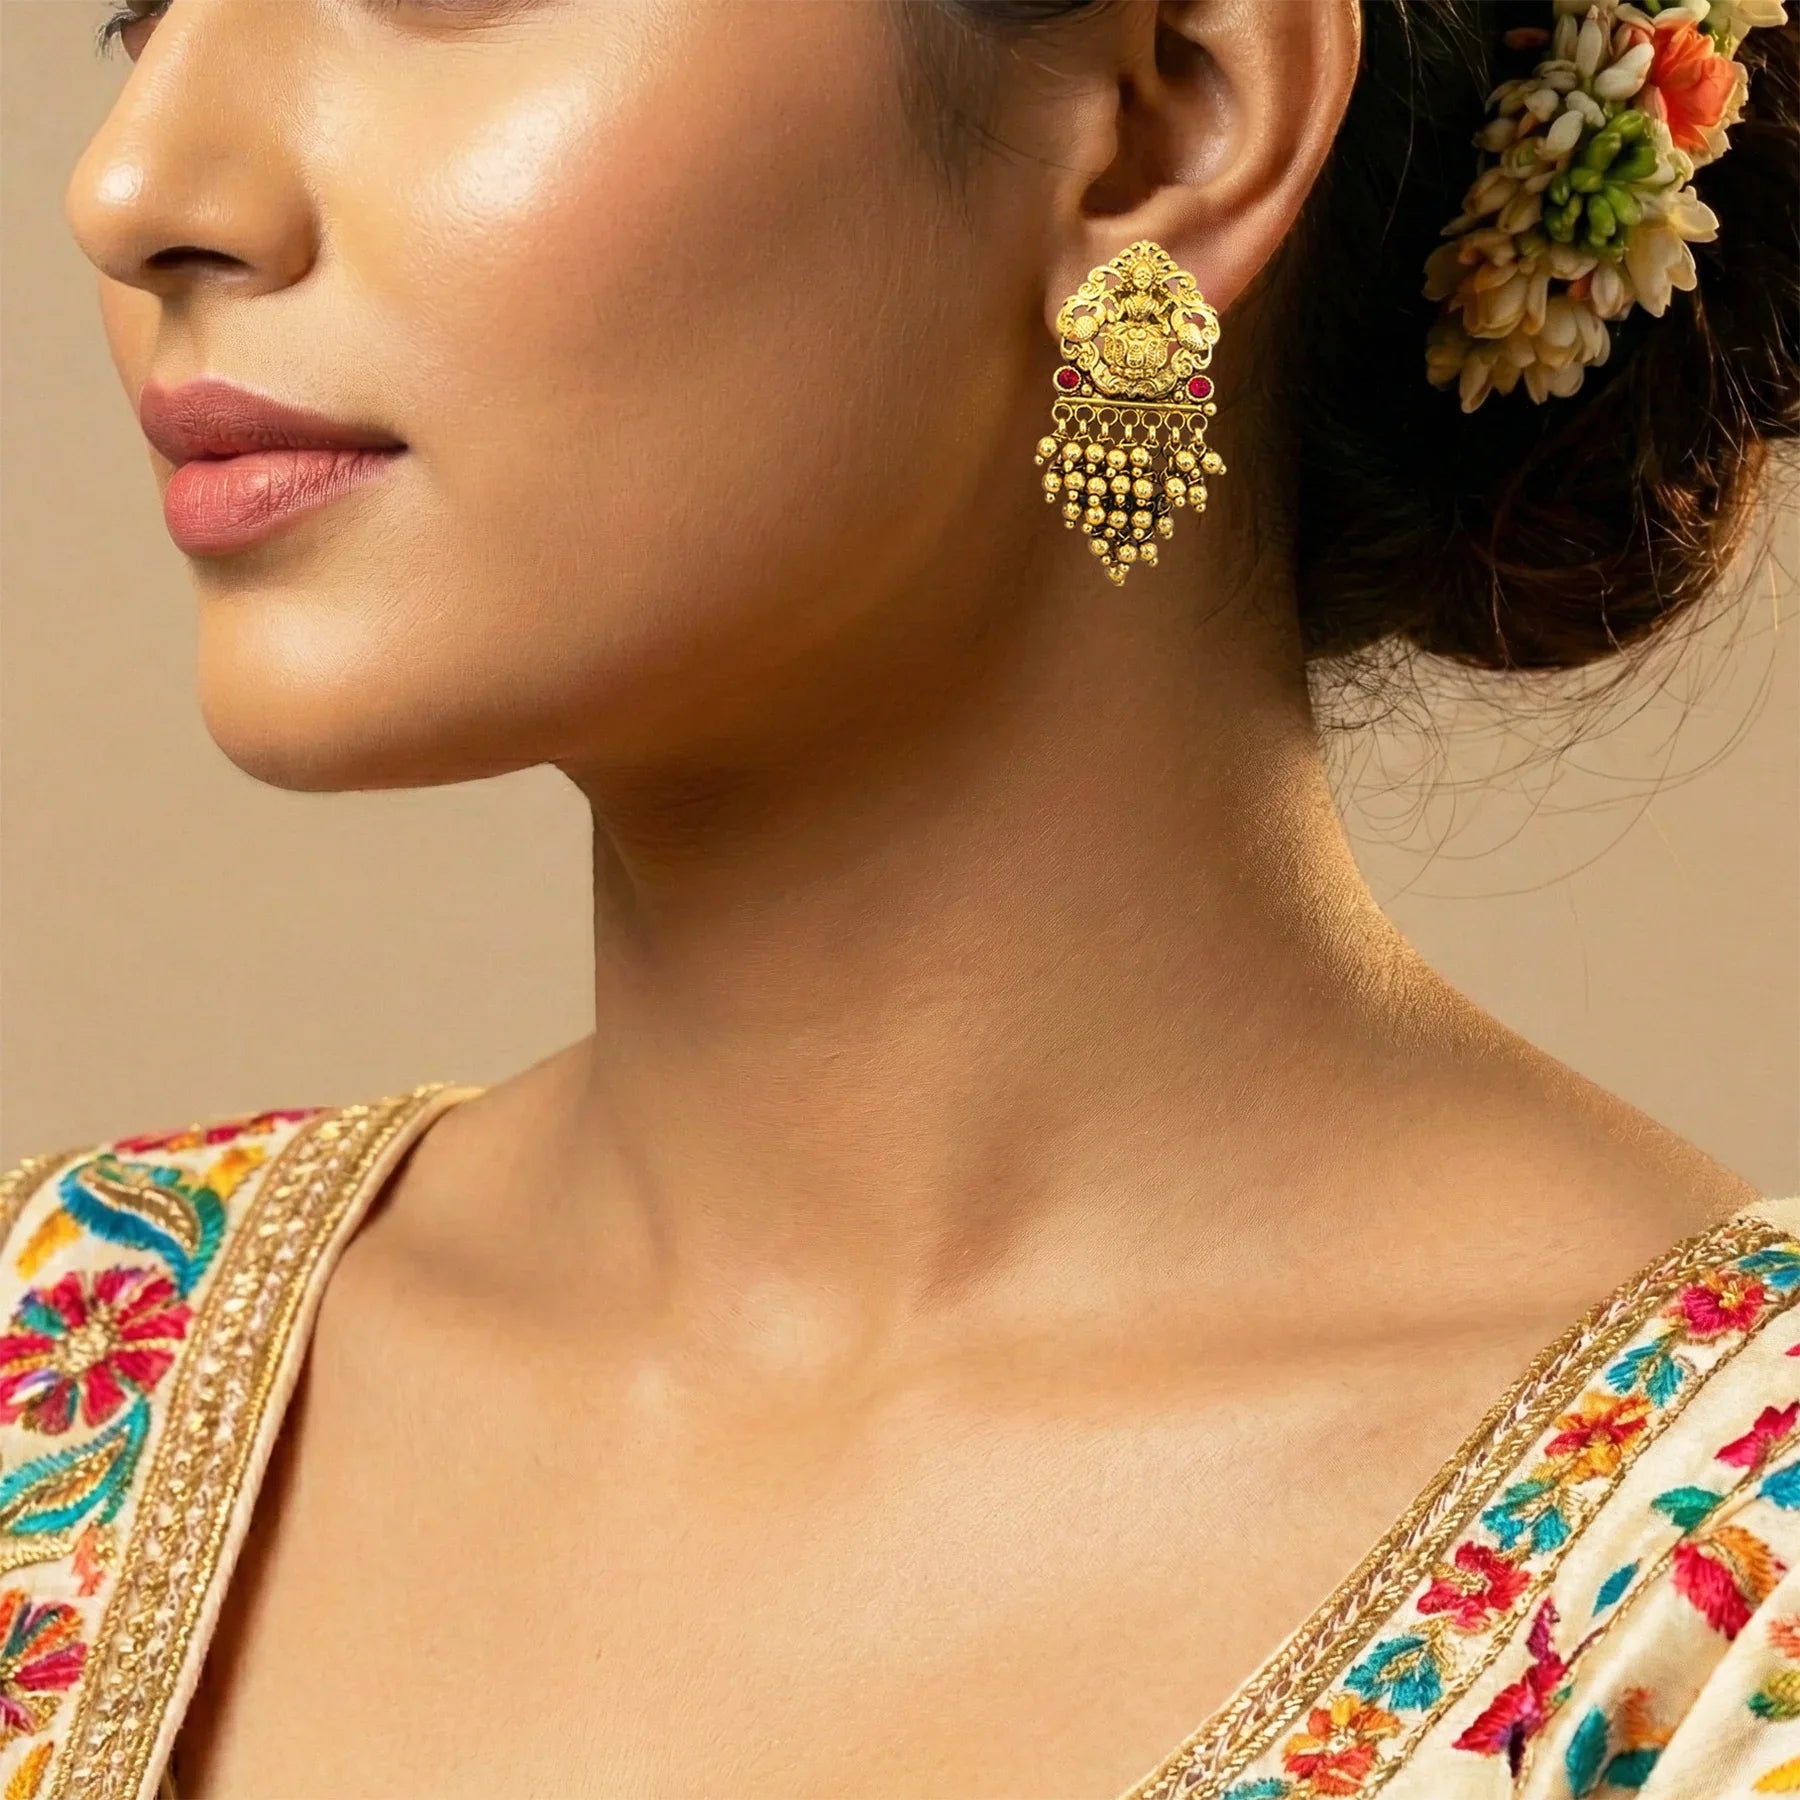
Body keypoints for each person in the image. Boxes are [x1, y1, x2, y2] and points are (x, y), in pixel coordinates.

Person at [7, 0, 1796, 1795]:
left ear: (1164, 131)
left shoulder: (1734, 1609)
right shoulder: (46, 1359)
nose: (135, 180)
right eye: (141, 11)